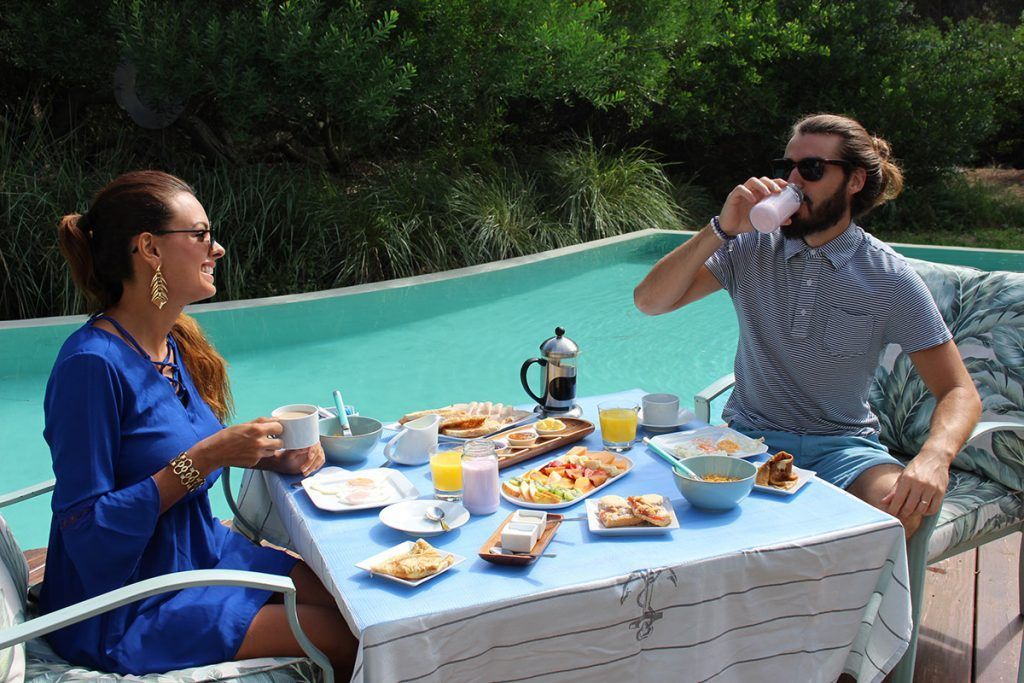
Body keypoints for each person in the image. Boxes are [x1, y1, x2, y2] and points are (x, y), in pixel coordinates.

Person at [41, 171, 356, 675]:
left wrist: (272, 457)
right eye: (201, 234)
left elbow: (168, 453)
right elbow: (87, 532)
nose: (218, 249)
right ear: (150, 249)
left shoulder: (168, 345)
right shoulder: (91, 366)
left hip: (200, 555)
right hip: (130, 603)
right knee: (344, 638)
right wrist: (208, 456)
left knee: (360, 604)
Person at [634, 114, 981, 537]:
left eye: (811, 169)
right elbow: (650, 302)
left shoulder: (889, 278)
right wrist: (721, 229)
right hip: (747, 443)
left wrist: (934, 456)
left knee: (900, 510)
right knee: (654, 502)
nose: (792, 183)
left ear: (854, 181)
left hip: (843, 450)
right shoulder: (749, 247)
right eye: (787, 169)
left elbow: (959, 390)